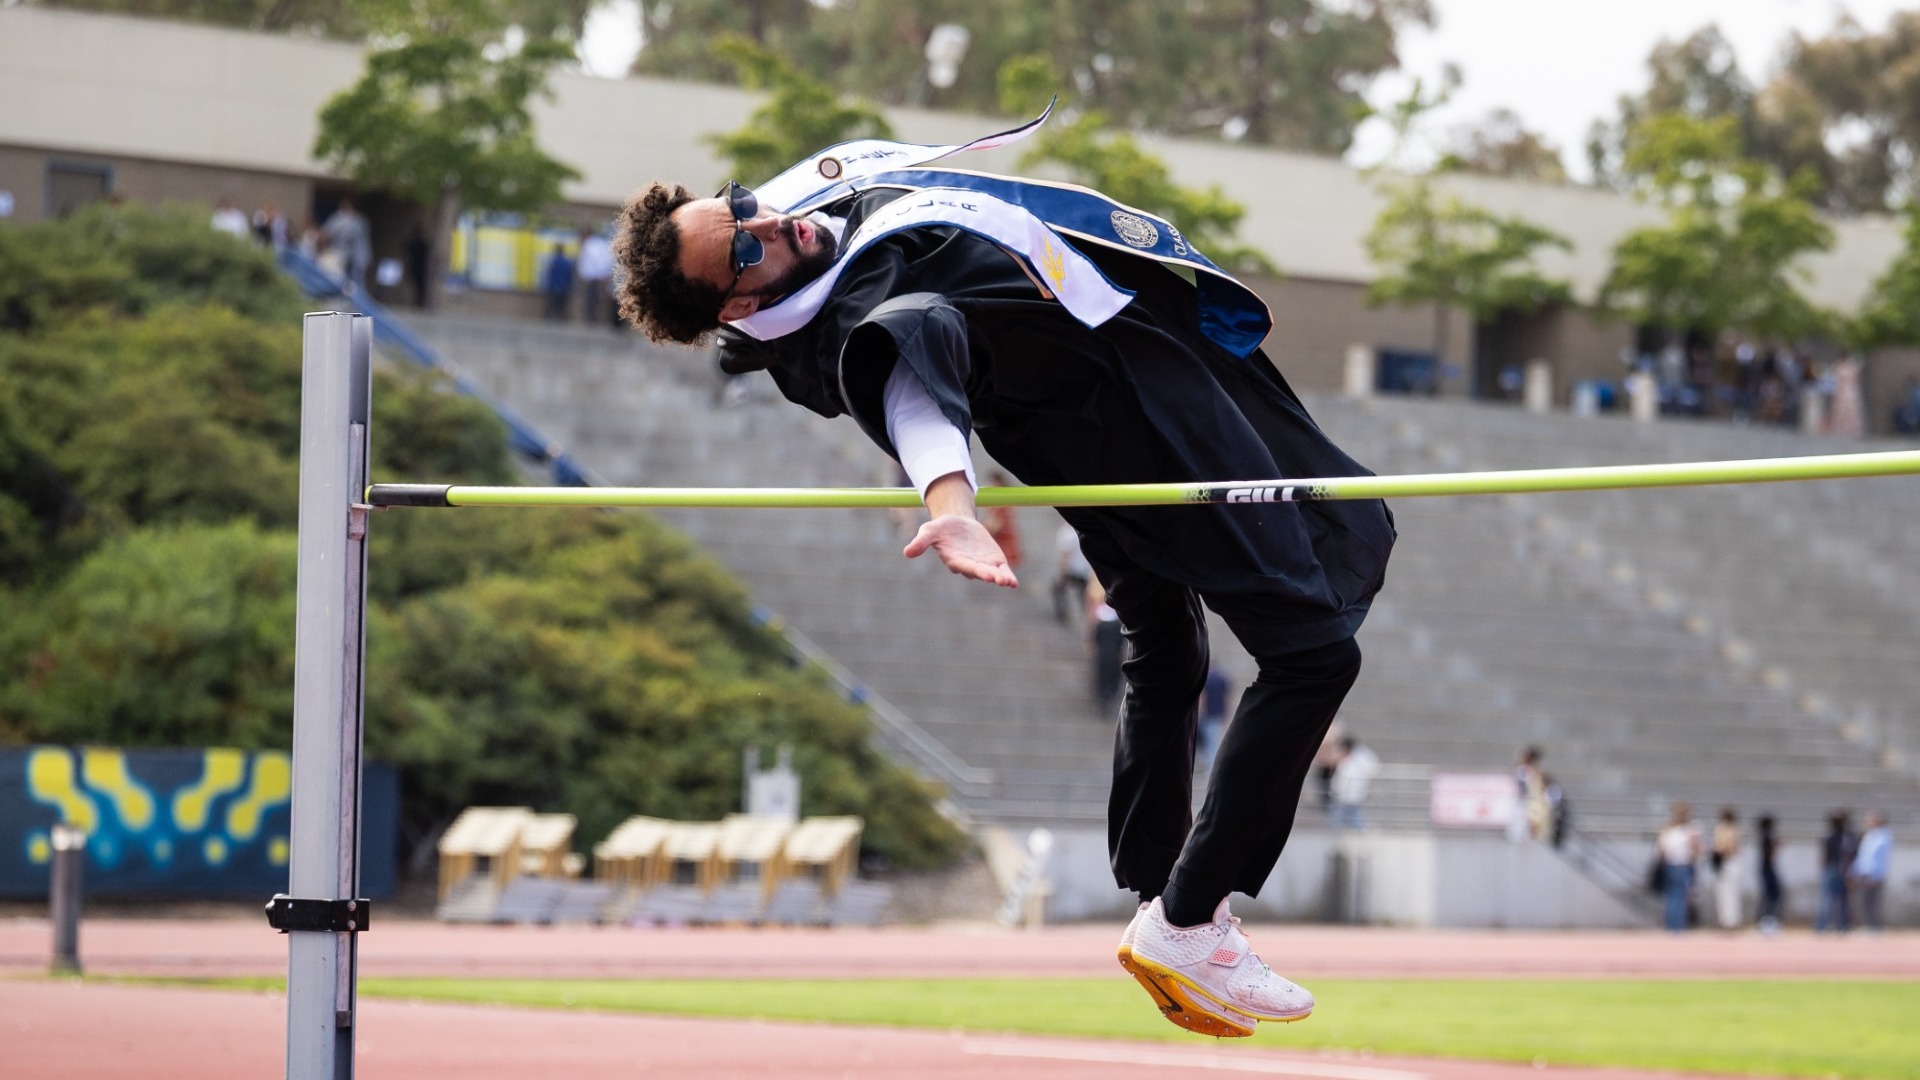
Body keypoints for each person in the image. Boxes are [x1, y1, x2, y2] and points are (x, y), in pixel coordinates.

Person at [611, 112, 1394, 1038]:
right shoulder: (858, 311)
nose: (770, 222)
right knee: (1312, 655)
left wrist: (750, 237)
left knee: (1165, 640)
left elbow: (784, 228)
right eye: (745, 243)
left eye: (742, 206)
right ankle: (1189, 916)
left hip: (1102, 404)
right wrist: (949, 505)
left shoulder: (794, 233)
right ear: (738, 304)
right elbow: (909, 379)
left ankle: (1163, 897)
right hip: (1144, 436)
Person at [1657, 801, 1702, 932]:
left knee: (1672, 897)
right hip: (1681, 865)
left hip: (1671, 865)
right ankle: (1677, 926)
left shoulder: (1667, 830)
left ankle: (1672, 925)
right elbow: (1696, 848)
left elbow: (1661, 849)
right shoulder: (1688, 830)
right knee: (1680, 897)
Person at [1850, 812, 1892, 933]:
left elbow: (1881, 858)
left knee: (1873, 901)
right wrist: (1854, 871)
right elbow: (1862, 856)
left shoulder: (1884, 837)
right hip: (1864, 873)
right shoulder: (1868, 836)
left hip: (1874, 874)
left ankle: (1874, 926)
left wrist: (1876, 875)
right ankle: (1868, 925)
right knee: (1864, 901)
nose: (1868, 824)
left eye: (1871, 821)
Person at [1328, 735, 1379, 832]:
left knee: (1348, 816)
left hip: (1349, 795)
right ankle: (1342, 835)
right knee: (1344, 816)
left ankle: (1362, 833)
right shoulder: (1349, 761)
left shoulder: (1358, 759)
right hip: (1344, 795)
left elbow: (1345, 779)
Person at [1817, 811, 1856, 933]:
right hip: (1839, 868)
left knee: (1829, 898)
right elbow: (1849, 855)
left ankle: (1823, 926)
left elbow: (1824, 857)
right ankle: (1842, 925)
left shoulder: (1830, 837)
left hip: (1833, 868)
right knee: (1840, 899)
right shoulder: (1846, 837)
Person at [321, 199, 373, 291]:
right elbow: (326, 233)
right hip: (343, 254)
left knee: (356, 280)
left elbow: (349, 235)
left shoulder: (357, 220)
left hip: (356, 255)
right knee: (342, 278)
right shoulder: (338, 219)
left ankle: (358, 299)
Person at [980, 471, 1023, 574]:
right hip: (1002, 555)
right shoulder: (997, 506)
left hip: (1005, 557)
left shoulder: (1000, 506)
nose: (988, 486)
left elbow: (993, 528)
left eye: (991, 484)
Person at [1051, 522, 1091, 626]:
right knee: (1083, 595)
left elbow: (1065, 554)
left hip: (1072, 570)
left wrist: (1063, 573)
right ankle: (1087, 618)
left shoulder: (1067, 531)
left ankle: (1063, 613)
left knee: (1058, 589)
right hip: (1086, 571)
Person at [1710, 807, 1742, 931]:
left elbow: (1723, 847)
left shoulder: (1724, 829)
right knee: (1729, 893)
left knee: (1726, 893)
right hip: (1731, 862)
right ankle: (1730, 920)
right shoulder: (1734, 829)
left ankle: (1728, 921)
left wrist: (1718, 852)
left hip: (1727, 862)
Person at [1194, 665, 1231, 774]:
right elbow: (1226, 697)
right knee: (1213, 738)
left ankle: (1212, 766)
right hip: (1218, 712)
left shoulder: (1206, 678)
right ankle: (1212, 765)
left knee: (1210, 740)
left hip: (1208, 713)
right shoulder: (1223, 678)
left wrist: (1200, 712)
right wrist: (1226, 712)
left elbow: (1203, 697)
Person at [577, 227, 615, 323]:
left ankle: (591, 318)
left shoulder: (591, 245)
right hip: (596, 277)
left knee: (592, 299)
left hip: (594, 278)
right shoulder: (597, 244)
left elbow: (598, 262)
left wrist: (601, 276)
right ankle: (591, 317)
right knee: (593, 299)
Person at [1755, 814, 1783, 935]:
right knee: (1771, 895)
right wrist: (1775, 845)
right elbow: (1768, 853)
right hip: (1767, 868)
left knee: (1771, 895)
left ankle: (1767, 920)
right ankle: (1767, 921)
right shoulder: (1766, 837)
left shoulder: (1764, 837)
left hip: (1766, 868)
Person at [542, 242, 577, 320]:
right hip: (564, 287)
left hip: (554, 287)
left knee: (552, 304)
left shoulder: (553, 262)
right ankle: (560, 319)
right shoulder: (567, 262)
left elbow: (550, 275)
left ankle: (550, 319)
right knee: (562, 306)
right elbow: (569, 275)